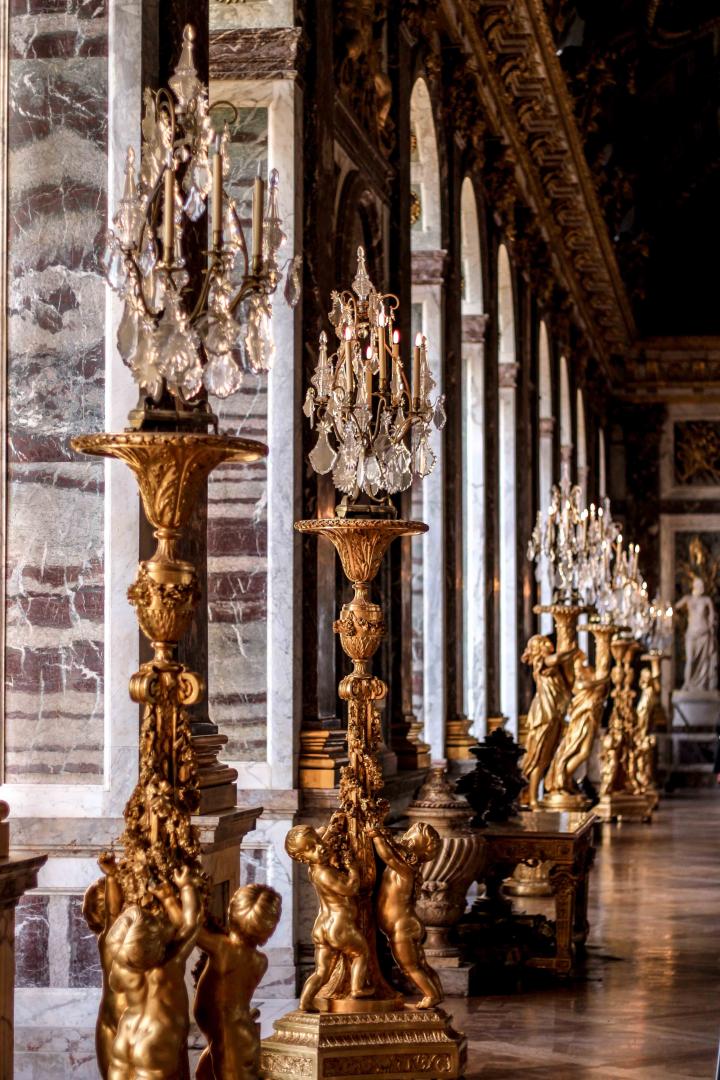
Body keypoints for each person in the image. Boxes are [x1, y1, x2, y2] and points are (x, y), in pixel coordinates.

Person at [106, 864, 202, 1080]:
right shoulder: (169, 964)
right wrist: (184, 887)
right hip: (155, 1037)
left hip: (127, 1032)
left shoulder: (122, 967)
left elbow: (115, 985)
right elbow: (192, 923)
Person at [194, 884, 282, 1080]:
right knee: (203, 1074)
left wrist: (178, 893)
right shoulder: (260, 961)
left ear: (232, 910)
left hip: (229, 1036)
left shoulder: (223, 949)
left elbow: (190, 929)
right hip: (237, 1030)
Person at [285, 819, 372, 1011]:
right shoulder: (325, 873)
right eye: (312, 848)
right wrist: (353, 869)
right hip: (339, 925)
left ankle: (305, 1001)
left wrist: (327, 830)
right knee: (360, 953)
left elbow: (321, 835)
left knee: (321, 971)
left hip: (322, 927)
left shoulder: (313, 869)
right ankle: (357, 988)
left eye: (318, 841)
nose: (320, 848)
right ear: (302, 857)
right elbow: (350, 889)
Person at [370, 822, 443, 1010]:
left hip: (401, 926)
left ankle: (431, 995)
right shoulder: (407, 866)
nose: (404, 840)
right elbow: (392, 851)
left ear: (415, 849)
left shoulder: (404, 869)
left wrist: (376, 836)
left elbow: (387, 855)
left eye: (409, 839)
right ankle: (437, 993)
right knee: (421, 964)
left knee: (408, 966)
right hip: (407, 923)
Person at [82, 853, 125, 1079]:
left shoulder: (135, 941)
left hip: (128, 1023)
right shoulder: (109, 938)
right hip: (111, 1026)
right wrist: (111, 876)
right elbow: (113, 914)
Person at [521, 635, 575, 808]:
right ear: (538, 648)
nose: (549, 644)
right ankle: (532, 798)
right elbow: (558, 657)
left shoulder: (553, 666)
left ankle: (534, 795)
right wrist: (572, 649)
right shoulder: (541, 662)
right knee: (538, 757)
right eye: (544, 642)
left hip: (554, 715)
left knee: (545, 758)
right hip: (543, 715)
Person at [676, 576, 718, 692]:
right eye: (700, 585)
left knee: (704, 661)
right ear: (694, 586)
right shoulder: (688, 599)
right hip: (691, 633)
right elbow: (673, 608)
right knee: (690, 659)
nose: (702, 588)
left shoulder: (706, 600)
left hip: (704, 634)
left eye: (702, 586)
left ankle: (703, 684)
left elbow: (711, 616)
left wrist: (711, 627)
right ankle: (687, 683)